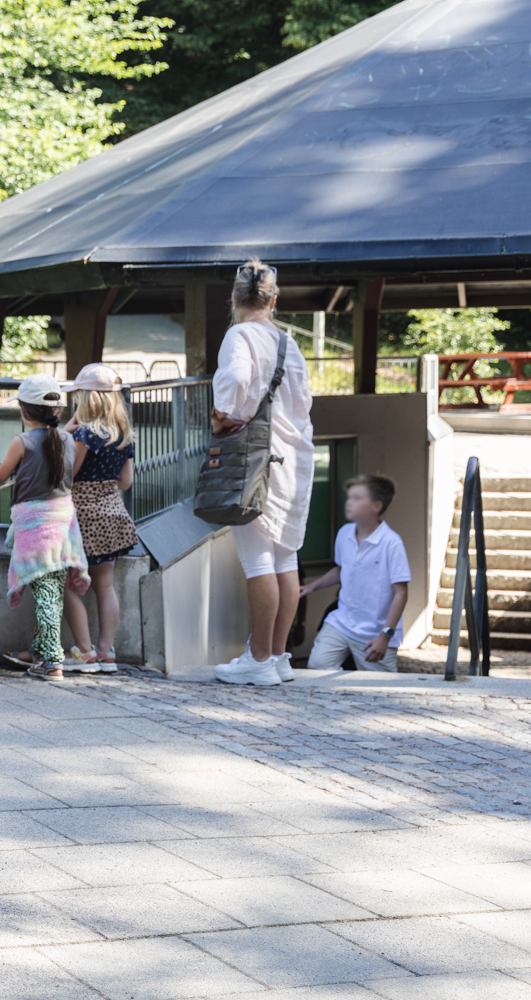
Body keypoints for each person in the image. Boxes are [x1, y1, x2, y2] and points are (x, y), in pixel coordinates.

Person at [209, 260, 315, 687]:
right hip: (295, 457)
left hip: (254, 457)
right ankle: (276, 657)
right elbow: (304, 402)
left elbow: (235, 375)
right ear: (274, 300)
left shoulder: (239, 334)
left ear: (234, 298)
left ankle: (257, 659)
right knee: (286, 556)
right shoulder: (290, 343)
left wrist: (222, 414)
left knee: (257, 559)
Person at [0, 374, 88, 681]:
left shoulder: (22, 441)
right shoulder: (68, 440)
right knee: (51, 587)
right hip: (64, 524)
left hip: (35, 527)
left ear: (25, 412)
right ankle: (40, 648)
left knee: (46, 593)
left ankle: (52, 661)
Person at [61, 362, 136, 674]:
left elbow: (69, 472)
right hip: (113, 512)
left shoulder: (84, 433)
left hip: (83, 515)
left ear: (86, 399)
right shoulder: (123, 436)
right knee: (105, 585)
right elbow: (126, 482)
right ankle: (106, 653)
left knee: (68, 584)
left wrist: (65, 433)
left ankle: (85, 651)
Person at [299, 474, 409, 672]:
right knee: (318, 666)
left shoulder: (391, 543)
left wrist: (385, 636)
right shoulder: (344, 533)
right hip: (341, 623)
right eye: (350, 497)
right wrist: (311, 587)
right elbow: (342, 569)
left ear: (376, 506)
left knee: (379, 690)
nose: (349, 503)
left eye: (357, 498)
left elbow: (401, 592)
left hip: (375, 632)